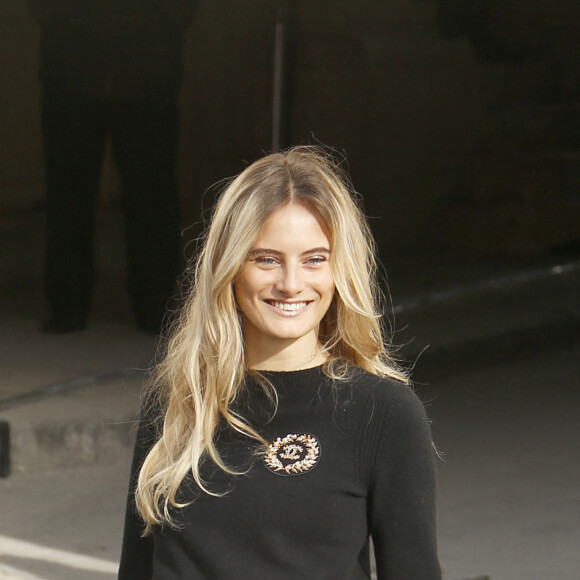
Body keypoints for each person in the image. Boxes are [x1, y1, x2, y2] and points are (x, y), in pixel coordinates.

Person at [118, 146, 441, 579]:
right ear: (230, 267)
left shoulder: (383, 413)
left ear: (339, 270)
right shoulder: (177, 401)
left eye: (314, 260)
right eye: (266, 259)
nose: (291, 284)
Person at [27, 0, 197, 333]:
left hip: (147, 67)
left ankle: (155, 303)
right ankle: (67, 302)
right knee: (68, 191)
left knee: (152, 196)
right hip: (73, 64)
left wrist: (164, 25)